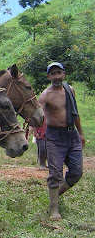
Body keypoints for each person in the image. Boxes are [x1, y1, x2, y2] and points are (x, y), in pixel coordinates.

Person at [38, 62, 85, 221]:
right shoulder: (46, 95)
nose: (56, 76)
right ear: (48, 77)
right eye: (53, 74)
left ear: (64, 73)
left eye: (59, 73)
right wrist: (30, 131)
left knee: (77, 171)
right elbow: (37, 114)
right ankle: (53, 210)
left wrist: (81, 134)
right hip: (54, 137)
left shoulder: (69, 89)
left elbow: (75, 113)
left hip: (72, 135)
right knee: (55, 173)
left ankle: (57, 194)